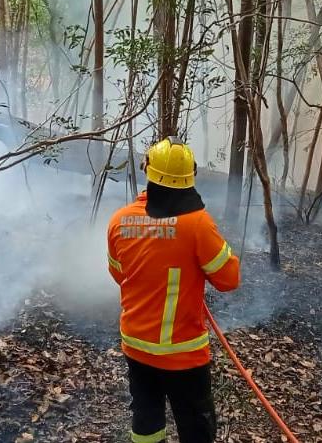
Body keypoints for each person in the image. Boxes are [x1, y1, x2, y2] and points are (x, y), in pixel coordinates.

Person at [106, 138, 241, 443]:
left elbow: (119, 274)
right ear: (190, 177)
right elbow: (229, 279)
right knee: (196, 428)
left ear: (147, 171)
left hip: (136, 346)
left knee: (147, 421)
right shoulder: (197, 223)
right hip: (182, 354)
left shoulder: (119, 221)